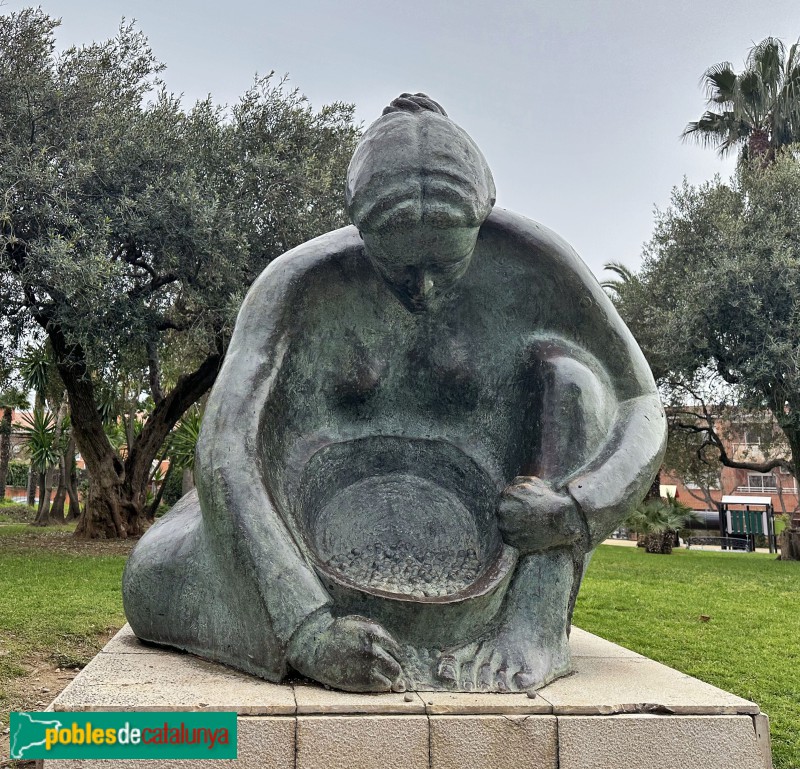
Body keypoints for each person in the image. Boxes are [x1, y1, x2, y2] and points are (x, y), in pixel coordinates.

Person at [123, 94, 666, 693]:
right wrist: (304, 627)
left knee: (576, 381)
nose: (425, 287)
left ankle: (532, 628)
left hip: (499, 536)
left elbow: (641, 404)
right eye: (401, 266)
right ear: (358, 222)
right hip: (310, 538)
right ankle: (304, 628)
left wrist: (578, 509)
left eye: (446, 262)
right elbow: (225, 448)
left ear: (482, 214)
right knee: (148, 583)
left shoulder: (539, 267)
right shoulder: (294, 285)